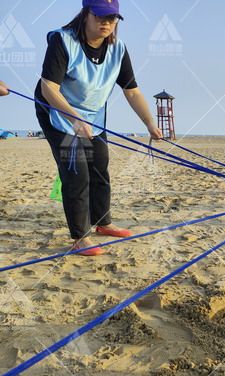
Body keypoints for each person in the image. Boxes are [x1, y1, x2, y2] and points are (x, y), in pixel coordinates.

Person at [35, 0, 163, 256]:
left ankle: (103, 223)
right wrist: (74, 119)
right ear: (86, 15)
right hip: (58, 111)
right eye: (101, 16)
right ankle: (80, 237)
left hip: (92, 116)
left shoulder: (118, 49)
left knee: (100, 165)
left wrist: (149, 123)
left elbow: (132, 90)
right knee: (77, 171)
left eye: (113, 18)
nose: (107, 23)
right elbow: (49, 87)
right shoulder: (62, 41)